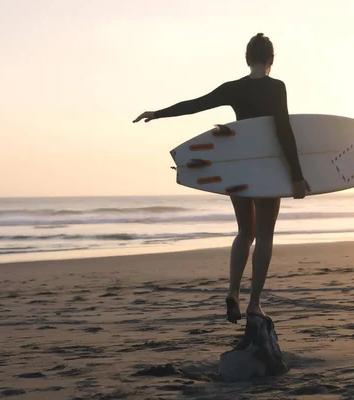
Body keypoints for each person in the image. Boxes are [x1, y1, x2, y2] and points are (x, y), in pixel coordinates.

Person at [133, 33, 310, 323]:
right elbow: (283, 130)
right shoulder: (277, 87)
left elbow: (195, 104)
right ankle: (254, 304)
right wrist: (297, 176)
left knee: (245, 232)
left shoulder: (234, 88)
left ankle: (232, 290)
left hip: (238, 169)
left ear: (246, 58)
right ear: (271, 60)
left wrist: (158, 113)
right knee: (264, 235)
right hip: (266, 170)